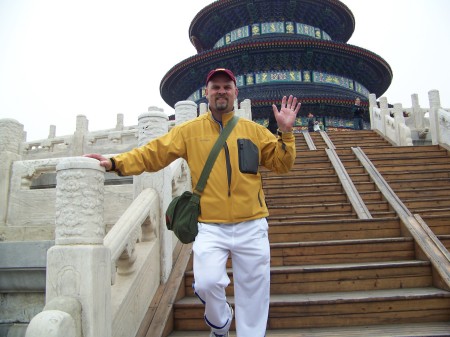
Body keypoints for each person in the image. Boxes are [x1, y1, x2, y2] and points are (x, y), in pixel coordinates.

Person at [85, 68, 301, 337]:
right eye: (215, 87)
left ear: (236, 92)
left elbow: (283, 164)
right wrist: (115, 162)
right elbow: (154, 153)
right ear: (206, 93)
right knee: (206, 282)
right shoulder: (189, 131)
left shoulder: (254, 131)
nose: (221, 91)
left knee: (254, 294)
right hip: (210, 225)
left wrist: (286, 132)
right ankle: (221, 323)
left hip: (252, 224)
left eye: (226, 86)